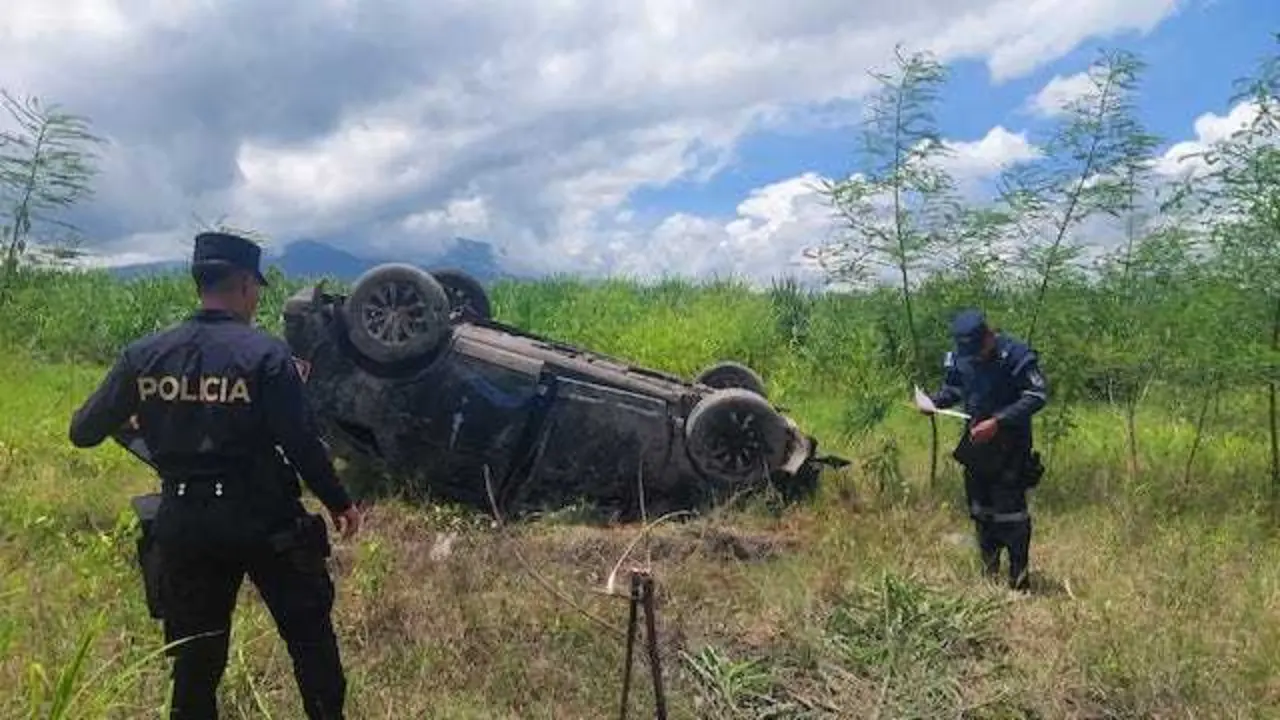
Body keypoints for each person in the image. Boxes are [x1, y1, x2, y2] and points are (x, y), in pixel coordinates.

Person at [67, 231, 362, 719]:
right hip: (266, 522)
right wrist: (340, 502)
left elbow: (83, 431)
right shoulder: (266, 356)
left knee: (195, 662)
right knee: (310, 641)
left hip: (184, 523)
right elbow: (301, 443)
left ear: (199, 282)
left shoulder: (145, 355)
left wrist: (148, 428)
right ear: (246, 285)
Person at [921, 309, 1047, 591]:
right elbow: (954, 388)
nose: (975, 357)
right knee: (981, 511)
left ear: (989, 335)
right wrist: (933, 402)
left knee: (1011, 515)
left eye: (979, 350)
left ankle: (1019, 581)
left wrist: (999, 421)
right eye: (970, 353)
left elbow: (1037, 396)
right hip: (977, 445)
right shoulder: (961, 356)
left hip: (1010, 446)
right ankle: (989, 576)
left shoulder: (1016, 354)